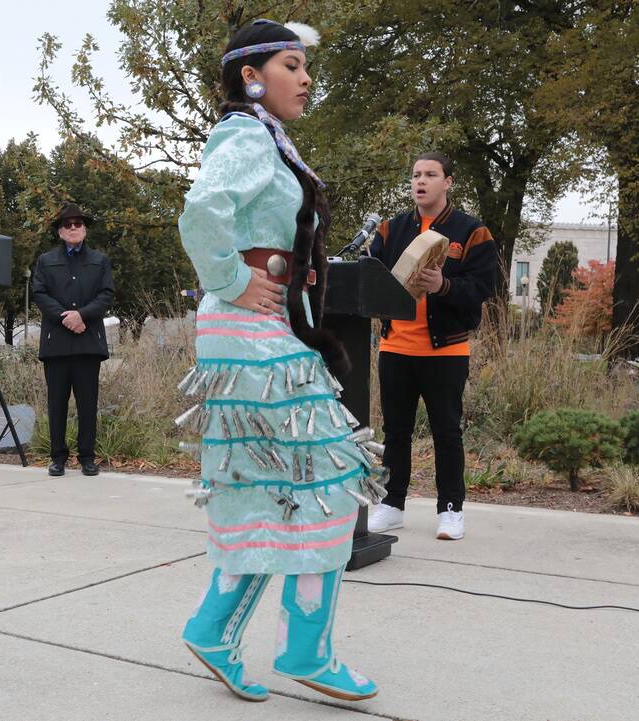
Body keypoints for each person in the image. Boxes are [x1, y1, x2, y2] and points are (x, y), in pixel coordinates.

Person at [176, 20, 384, 703]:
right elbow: (203, 211)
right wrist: (233, 280)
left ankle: (217, 626)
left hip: (262, 327)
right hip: (247, 323)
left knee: (278, 481)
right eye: (291, 64)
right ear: (250, 74)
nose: (306, 78)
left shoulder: (267, 138)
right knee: (329, 469)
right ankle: (304, 648)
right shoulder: (244, 134)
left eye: (305, 67)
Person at [366, 152, 498, 540]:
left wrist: (443, 286)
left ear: (448, 182)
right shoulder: (390, 230)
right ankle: (391, 504)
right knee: (396, 432)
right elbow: (370, 276)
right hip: (395, 348)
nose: (420, 181)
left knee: (446, 433)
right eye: (415, 175)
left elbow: (481, 289)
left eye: (430, 174)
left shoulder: (472, 232)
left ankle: (451, 510)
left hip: (446, 351)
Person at [31, 202, 114, 477]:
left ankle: (87, 456)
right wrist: (65, 317)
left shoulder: (100, 260)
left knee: (88, 403)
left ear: (85, 229)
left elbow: (106, 294)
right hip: (57, 344)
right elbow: (40, 293)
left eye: (78, 223)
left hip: (88, 343)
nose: (74, 227)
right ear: (60, 232)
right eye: (68, 224)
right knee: (56, 403)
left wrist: (82, 315)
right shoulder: (45, 261)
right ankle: (58, 457)